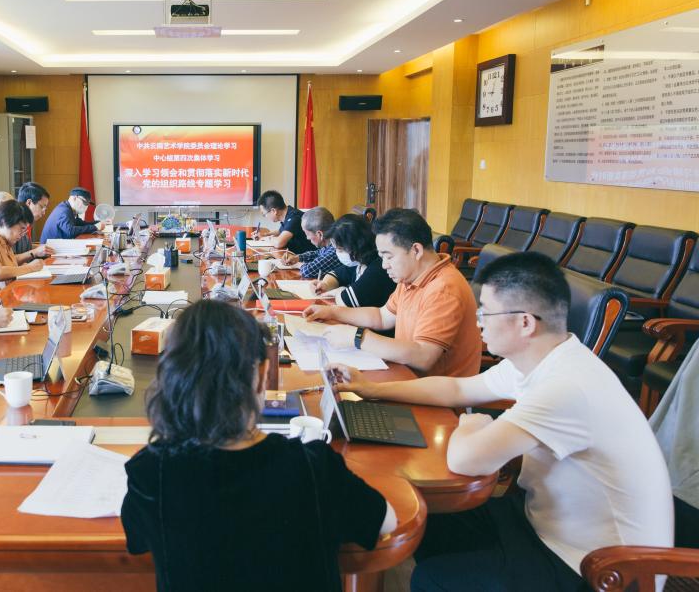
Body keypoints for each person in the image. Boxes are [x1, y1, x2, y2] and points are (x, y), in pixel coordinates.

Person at [330, 252, 674, 591]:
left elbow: (466, 459)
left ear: (525, 322)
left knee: (432, 580)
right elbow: (457, 389)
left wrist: (470, 425)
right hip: (542, 525)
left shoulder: (568, 386)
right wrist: (371, 389)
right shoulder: (542, 358)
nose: (478, 322)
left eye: (486, 312)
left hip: (599, 568)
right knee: (431, 520)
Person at [121, 300, 396, 592]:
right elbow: (388, 521)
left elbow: (138, 539)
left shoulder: (150, 473)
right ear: (263, 375)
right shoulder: (312, 466)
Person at [303, 208, 479, 377]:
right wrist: (332, 312)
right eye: (382, 257)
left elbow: (423, 356)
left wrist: (358, 338)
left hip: (430, 389)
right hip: (405, 373)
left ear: (416, 250)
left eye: (389, 256)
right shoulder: (411, 277)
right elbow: (382, 316)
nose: (384, 265)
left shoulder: (444, 289)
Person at [316, 213, 395, 309]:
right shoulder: (360, 262)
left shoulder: (378, 268)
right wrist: (325, 284)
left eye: (340, 249)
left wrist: (340, 291)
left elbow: (346, 301)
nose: (337, 253)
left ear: (356, 246)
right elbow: (337, 274)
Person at [279, 207, 343, 280]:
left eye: (307, 234)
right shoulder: (330, 243)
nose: (307, 238)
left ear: (319, 234)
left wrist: (296, 264)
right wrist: (297, 257)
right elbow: (317, 253)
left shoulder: (337, 249)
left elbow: (308, 271)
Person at [252, 189, 317, 255]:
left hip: (306, 258)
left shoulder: (294, 217)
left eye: (264, 214)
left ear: (274, 211)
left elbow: (279, 243)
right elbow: (281, 231)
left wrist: (264, 238)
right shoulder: (288, 213)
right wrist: (265, 234)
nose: (265, 217)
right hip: (293, 256)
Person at [39, 187, 109, 242]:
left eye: (88, 204)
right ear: (75, 198)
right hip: (48, 250)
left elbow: (80, 223)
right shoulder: (64, 210)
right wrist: (95, 227)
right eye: (85, 202)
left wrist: (99, 223)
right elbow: (70, 231)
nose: (86, 206)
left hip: (58, 245)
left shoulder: (70, 209)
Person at [12, 181, 52, 260]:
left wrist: (45, 248)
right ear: (29, 203)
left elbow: (26, 248)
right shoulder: (13, 223)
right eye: (41, 207)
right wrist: (35, 252)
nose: (44, 213)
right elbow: (9, 259)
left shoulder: (27, 222)